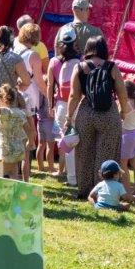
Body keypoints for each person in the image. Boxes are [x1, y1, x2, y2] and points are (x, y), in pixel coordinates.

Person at [66, 36, 128, 199]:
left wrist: (68, 117)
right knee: (106, 153)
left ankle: (85, 191)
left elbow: (74, 95)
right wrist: (123, 111)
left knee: (84, 153)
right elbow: (122, 92)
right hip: (108, 113)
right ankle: (105, 192)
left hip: (86, 112)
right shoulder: (112, 67)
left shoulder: (79, 67)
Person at [0, 26, 31, 158]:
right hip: (8, 102)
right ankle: (7, 168)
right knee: (8, 138)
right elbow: (26, 81)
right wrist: (18, 84)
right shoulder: (15, 58)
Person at [46, 28, 80, 179]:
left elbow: (50, 86)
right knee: (75, 139)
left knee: (63, 140)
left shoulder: (54, 62)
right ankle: (73, 173)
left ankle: (63, 171)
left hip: (60, 104)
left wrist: (50, 105)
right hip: (76, 104)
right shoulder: (79, 62)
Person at [16, 23, 49, 172]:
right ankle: (25, 168)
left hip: (15, 95)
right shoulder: (33, 56)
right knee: (29, 133)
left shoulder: (14, 50)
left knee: (17, 132)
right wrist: (50, 96)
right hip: (28, 98)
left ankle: (16, 166)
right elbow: (40, 81)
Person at [0, 84, 31, 181]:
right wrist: (30, 142)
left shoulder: (4, 112)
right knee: (13, 174)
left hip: (6, 150)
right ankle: (15, 192)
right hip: (18, 150)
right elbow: (29, 130)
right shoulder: (20, 113)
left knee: (0, 175)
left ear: (2, 99)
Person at [119, 80, 135, 199]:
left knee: (123, 164)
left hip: (127, 136)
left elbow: (120, 118)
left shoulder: (127, 103)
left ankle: (127, 190)